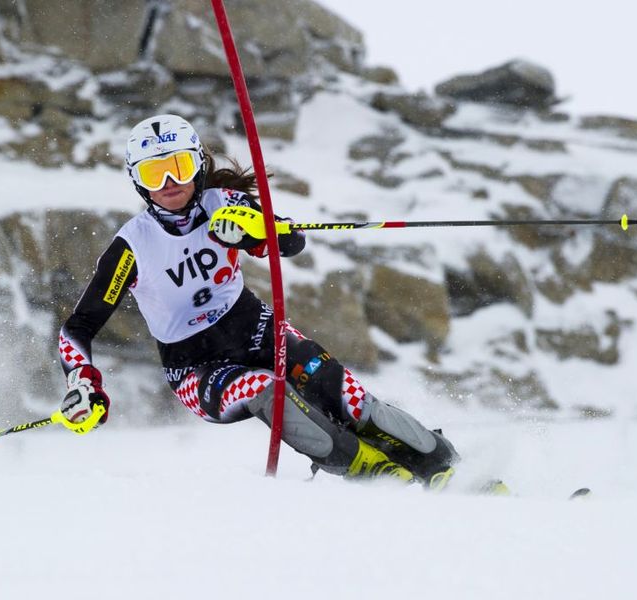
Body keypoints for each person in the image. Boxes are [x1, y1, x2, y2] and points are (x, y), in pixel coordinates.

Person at [56, 114, 459, 488]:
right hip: (196, 368)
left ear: (198, 165)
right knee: (267, 390)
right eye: (153, 173)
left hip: (257, 330)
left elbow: (292, 241)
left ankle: (446, 465)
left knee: (348, 400)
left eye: (179, 166)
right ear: (137, 181)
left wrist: (258, 233)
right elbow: (79, 327)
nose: (169, 182)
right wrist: (83, 381)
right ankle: (374, 473)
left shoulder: (225, 203)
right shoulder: (132, 247)